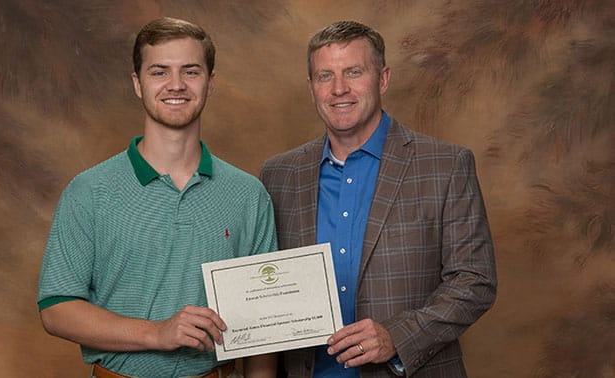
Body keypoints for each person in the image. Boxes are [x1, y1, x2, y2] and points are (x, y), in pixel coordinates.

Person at [37, 17, 278, 378]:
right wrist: (158, 333)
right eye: (159, 72)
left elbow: (264, 320)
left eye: (191, 71)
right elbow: (56, 309)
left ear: (210, 83)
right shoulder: (89, 191)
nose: (176, 85)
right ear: (138, 84)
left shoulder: (247, 194)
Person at [260, 21, 497, 377]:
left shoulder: (445, 165)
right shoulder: (279, 175)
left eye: (354, 72)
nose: (339, 89)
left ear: (382, 79)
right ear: (311, 88)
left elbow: (474, 280)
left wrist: (398, 337)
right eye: (325, 76)